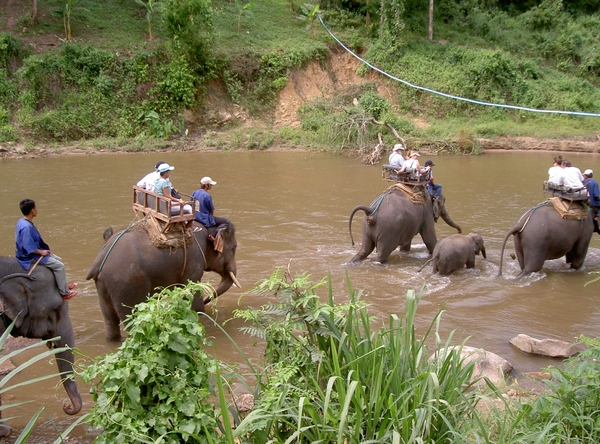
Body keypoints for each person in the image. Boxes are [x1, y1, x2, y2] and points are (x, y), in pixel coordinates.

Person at [15, 199, 77, 300]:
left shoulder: (22, 222)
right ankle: (64, 293)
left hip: (33, 252)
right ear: (32, 210)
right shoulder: (26, 227)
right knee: (59, 266)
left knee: (59, 259)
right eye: (36, 207)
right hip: (30, 256)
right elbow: (28, 246)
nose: (37, 209)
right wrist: (41, 252)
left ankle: (62, 285)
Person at [153, 163, 193, 228]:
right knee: (189, 208)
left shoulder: (157, 180)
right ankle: (188, 227)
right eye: (169, 171)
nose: (170, 173)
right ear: (165, 172)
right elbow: (167, 195)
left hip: (160, 203)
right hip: (166, 205)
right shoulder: (164, 182)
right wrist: (178, 201)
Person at [583, 169, 600, 234]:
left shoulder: (582, 181)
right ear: (591, 175)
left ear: (585, 175)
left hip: (584, 201)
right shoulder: (594, 182)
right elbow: (596, 195)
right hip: (592, 203)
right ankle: (598, 216)